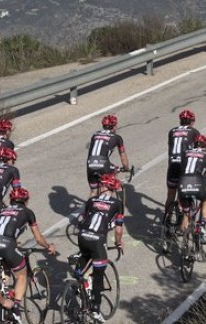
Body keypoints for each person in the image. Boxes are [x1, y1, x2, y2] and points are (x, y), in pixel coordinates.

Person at [0, 187, 56, 322]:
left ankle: (4, 288)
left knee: (5, 264)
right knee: (21, 275)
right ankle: (16, 309)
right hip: (7, 246)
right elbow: (38, 238)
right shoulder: (27, 212)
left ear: (11, 200)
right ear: (26, 201)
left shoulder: (2, 210)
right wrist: (49, 246)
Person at [74, 174, 124, 323]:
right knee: (98, 276)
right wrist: (118, 243)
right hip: (97, 239)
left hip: (82, 235)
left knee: (84, 256)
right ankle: (95, 310)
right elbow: (119, 230)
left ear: (103, 187)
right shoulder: (117, 204)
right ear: (113, 188)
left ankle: (78, 280)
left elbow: (80, 220)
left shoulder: (91, 200)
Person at [177, 135, 206, 241]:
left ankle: (184, 243)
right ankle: (202, 224)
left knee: (186, 212)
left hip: (182, 184)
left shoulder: (184, 153)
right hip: (197, 184)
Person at [164, 109, 200, 214]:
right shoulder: (194, 132)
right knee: (186, 192)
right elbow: (198, 152)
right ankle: (185, 220)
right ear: (192, 121)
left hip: (172, 165)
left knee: (170, 195)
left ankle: (167, 222)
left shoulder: (172, 131)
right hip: (185, 166)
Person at [86, 115, 130, 198]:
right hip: (104, 165)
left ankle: (88, 209)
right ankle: (107, 207)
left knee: (93, 191)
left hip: (90, 165)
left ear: (103, 126)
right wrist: (126, 168)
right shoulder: (117, 138)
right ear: (115, 126)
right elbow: (123, 157)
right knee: (107, 188)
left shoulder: (94, 135)